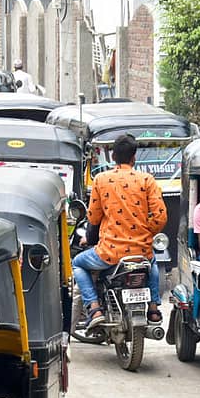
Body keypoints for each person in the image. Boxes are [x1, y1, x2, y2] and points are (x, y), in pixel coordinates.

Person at [72, 134, 167, 329]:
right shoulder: (147, 180)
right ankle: (154, 307)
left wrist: (89, 239)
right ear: (134, 157)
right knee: (153, 261)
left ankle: (95, 309)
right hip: (141, 252)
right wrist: (145, 231)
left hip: (109, 253)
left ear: (113, 156)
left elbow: (94, 218)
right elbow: (160, 217)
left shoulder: (101, 179)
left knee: (77, 264)